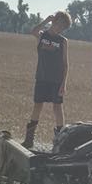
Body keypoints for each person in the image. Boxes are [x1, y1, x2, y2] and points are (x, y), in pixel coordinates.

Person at [21, 10, 71, 150]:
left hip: (56, 80)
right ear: (53, 22)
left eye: (63, 27)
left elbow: (66, 65)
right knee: (37, 105)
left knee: (57, 107)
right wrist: (46, 21)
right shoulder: (42, 36)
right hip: (41, 78)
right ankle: (29, 140)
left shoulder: (63, 41)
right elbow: (33, 31)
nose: (59, 28)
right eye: (58, 24)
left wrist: (64, 84)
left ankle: (61, 142)